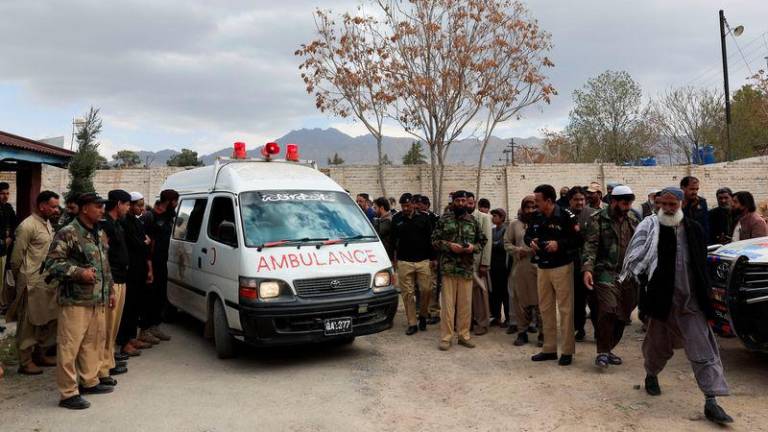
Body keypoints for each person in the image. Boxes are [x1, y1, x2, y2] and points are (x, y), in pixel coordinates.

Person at [619, 187, 732, 425]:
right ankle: (651, 374)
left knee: (704, 350)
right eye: (664, 205)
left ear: (681, 204)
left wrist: (708, 298)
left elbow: (701, 266)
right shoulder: (652, 229)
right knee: (656, 347)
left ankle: (711, 400)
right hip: (662, 303)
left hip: (691, 304)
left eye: (673, 205)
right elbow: (638, 260)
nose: (668, 209)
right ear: (658, 204)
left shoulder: (694, 229)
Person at [46, 193, 115, 410]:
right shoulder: (68, 232)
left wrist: (110, 290)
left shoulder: (98, 232)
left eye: (102, 207)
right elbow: (51, 264)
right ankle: (68, 393)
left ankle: (89, 380)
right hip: (75, 299)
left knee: (92, 343)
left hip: (96, 298)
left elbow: (105, 264)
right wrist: (78, 273)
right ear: (85, 209)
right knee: (69, 347)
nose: (102, 210)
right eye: (97, 207)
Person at [582, 185, 639, 369]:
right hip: (605, 272)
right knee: (608, 310)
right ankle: (603, 353)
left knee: (623, 314)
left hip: (628, 275)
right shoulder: (598, 219)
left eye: (629, 202)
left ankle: (608, 348)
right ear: (613, 201)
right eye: (624, 202)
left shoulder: (633, 218)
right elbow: (590, 246)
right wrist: (588, 269)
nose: (627, 206)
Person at [524, 184, 581, 365]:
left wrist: (559, 244)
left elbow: (578, 239)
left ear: (548, 201)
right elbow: (527, 235)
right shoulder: (536, 216)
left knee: (565, 310)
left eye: (538, 201)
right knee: (545, 308)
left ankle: (566, 351)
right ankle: (549, 349)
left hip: (562, 266)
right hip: (542, 267)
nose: (535, 204)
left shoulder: (566, 215)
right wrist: (530, 242)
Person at [9, 191, 60, 375]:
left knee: (45, 320)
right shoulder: (27, 226)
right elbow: (16, 258)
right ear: (42, 206)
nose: (56, 210)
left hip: (45, 281)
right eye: (53, 206)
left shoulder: (47, 224)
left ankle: (41, 354)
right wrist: (21, 279)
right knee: (28, 324)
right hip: (30, 281)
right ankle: (25, 361)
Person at [432, 191, 486, 351]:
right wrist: (449, 246)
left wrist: (472, 248)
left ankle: (464, 336)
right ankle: (446, 338)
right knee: (448, 306)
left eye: (464, 200)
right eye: (458, 200)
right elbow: (434, 241)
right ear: (453, 202)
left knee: (465, 305)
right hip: (448, 268)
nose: (461, 203)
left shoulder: (473, 221)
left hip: (466, 269)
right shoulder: (444, 219)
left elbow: (482, 241)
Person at [98, 190, 132, 384]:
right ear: (119, 204)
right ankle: (102, 367)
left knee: (114, 327)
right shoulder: (106, 226)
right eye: (126, 205)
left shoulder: (117, 224)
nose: (128, 208)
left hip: (121, 279)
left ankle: (108, 361)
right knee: (107, 327)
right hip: (113, 281)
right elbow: (104, 256)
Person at [391, 193, 434, 335]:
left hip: (423, 261)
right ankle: (412, 323)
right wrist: (392, 259)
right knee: (407, 294)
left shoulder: (424, 218)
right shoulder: (397, 219)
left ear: (414, 204)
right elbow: (392, 241)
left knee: (426, 290)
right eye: (403, 206)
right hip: (404, 261)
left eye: (408, 205)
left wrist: (434, 259)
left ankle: (422, 314)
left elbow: (431, 240)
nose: (405, 208)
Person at [117, 192, 153, 356]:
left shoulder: (137, 222)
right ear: (130, 205)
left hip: (140, 269)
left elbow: (145, 244)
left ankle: (132, 337)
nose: (141, 208)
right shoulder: (125, 223)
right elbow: (138, 243)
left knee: (137, 305)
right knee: (128, 307)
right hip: (130, 271)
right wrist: (145, 242)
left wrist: (145, 243)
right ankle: (124, 341)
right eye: (138, 205)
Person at [504, 196, 542, 347]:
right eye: (527, 207)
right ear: (522, 208)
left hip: (539, 268)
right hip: (520, 268)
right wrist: (518, 250)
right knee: (521, 302)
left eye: (534, 207)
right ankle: (522, 332)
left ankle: (543, 334)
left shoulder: (542, 222)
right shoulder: (515, 224)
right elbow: (506, 243)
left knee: (541, 302)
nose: (530, 210)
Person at [142, 189, 178, 343]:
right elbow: (146, 244)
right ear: (169, 201)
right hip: (151, 263)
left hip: (162, 261)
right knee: (149, 297)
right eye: (175, 201)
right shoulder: (150, 217)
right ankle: (145, 329)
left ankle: (154, 326)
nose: (176, 204)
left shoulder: (169, 215)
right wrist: (149, 267)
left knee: (160, 296)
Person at [567, 186, 596, 342]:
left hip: (590, 265)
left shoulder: (593, 215)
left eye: (582, 199)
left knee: (594, 299)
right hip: (572, 264)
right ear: (570, 201)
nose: (579, 202)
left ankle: (599, 331)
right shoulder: (564, 216)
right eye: (576, 199)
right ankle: (579, 328)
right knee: (576, 301)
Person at [467, 192, 493, 336]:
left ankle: (483, 323)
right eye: (466, 203)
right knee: (466, 295)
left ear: (475, 202)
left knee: (480, 295)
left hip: (478, 264)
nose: (468, 205)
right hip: (464, 264)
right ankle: (468, 322)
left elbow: (487, 242)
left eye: (471, 203)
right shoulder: (461, 217)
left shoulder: (484, 218)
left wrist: (485, 263)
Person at [488, 209, 510, 327]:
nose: (493, 218)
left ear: (502, 217)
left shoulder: (506, 229)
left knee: (504, 293)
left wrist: (494, 244)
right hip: (493, 265)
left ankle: (508, 318)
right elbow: (488, 244)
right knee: (494, 293)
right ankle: (496, 316)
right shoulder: (492, 230)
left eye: (495, 216)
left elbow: (502, 245)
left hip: (503, 266)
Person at [0, 182, 18, 311]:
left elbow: (15, 225)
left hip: (2, 252)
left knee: (1, 282)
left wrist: (10, 237)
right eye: (2, 193)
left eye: (7, 193)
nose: (5, 196)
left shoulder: (8, 208)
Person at [372, 197, 394, 261]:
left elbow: (377, 235)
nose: (374, 210)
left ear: (381, 208)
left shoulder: (387, 221)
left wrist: (376, 222)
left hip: (387, 255)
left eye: (375, 208)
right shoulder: (383, 219)